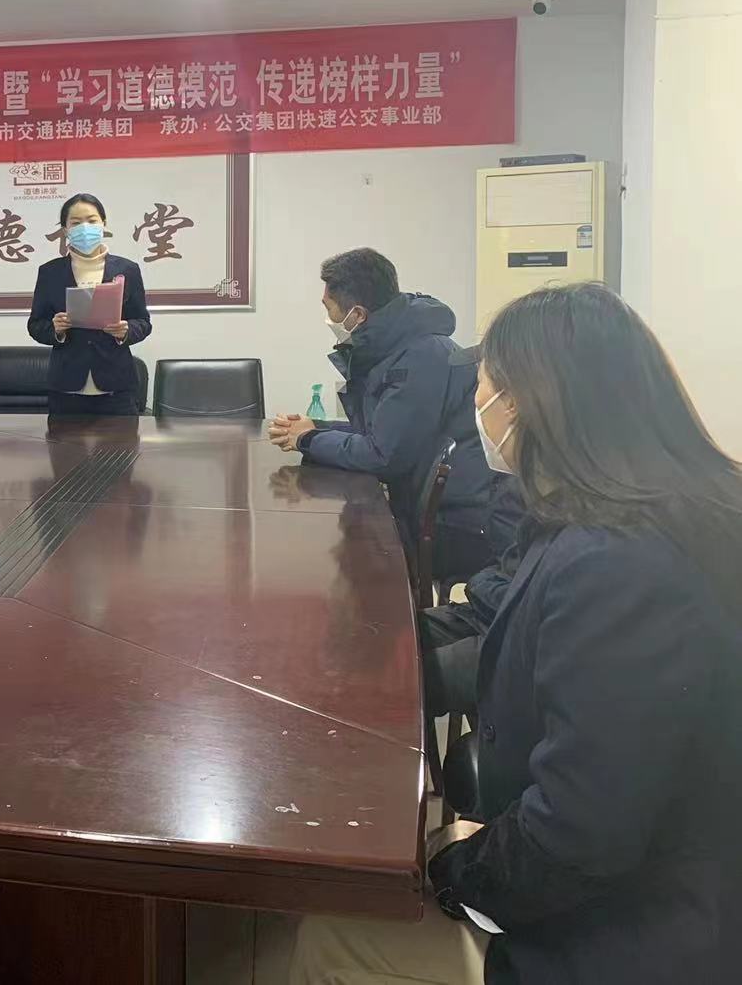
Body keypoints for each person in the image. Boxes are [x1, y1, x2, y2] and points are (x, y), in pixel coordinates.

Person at [286, 283, 742, 984]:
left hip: (652, 927)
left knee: (336, 935)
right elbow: (494, 612)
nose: (477, 404)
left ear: (529, 402)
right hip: (649, 863)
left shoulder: (618, 563)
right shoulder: (622, 511)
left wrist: (454, 868)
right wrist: (374, 650)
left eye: (485, 384)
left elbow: (579, 835)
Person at [268, 247, 505, 582]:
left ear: (357, 315)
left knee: (338, 558)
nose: (328, 318)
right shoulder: (399, 346)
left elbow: (382, 455)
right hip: (430, 509)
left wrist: (308, 439)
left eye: (329, 308)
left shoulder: (420, 357)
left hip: (454, 525)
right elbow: (380, 430)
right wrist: (314, 428)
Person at [27, 192, 152, 416]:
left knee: (122, 441)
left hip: (117, 387)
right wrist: (56, 330)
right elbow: (35, 325)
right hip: (66, 388)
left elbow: (143, 322)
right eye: (76, 223)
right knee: (64, 441)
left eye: (92, 221)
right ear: (65, 229)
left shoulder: (127, 269)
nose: (84, 228)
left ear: (103, 223)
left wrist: (126, 331)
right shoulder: (50, 272)